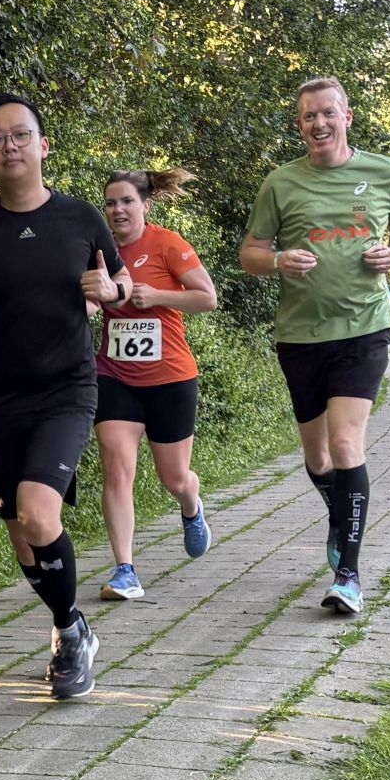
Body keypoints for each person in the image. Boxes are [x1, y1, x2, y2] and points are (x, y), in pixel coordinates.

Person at [0, 93, 132, 700]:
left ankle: (69, 636)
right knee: (20, 530)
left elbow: (121, 281)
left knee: (40, 514)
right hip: (3, 398)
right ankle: (72, 625)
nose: (9, 146)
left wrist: (111, 291)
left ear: (43, 146)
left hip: (68, 389)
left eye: (20, 135)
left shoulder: (80, 219)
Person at [240, 76, 390, 616]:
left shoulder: (383, 171)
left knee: (345, 445)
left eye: (326, 113)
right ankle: (340, 514)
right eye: (308, 117)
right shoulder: (280, 183)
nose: (318, 124)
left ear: (346, 116)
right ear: (300, 125)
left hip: (363, 329)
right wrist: (277, 260)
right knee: (318, 457)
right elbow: (250, 253)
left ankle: (349, 576)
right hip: (300, 336)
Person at [95, 168, 219, 602]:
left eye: (127, 201)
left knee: (174, 478)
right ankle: (125, 570)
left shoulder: (167, 244)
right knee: (116, 469)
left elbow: (207, 297)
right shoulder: (100, 250)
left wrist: (157, 295)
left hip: (170, 378)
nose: (118, 210)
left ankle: (191, 503)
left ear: (145, 205)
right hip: (115, 376)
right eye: (111, 203)